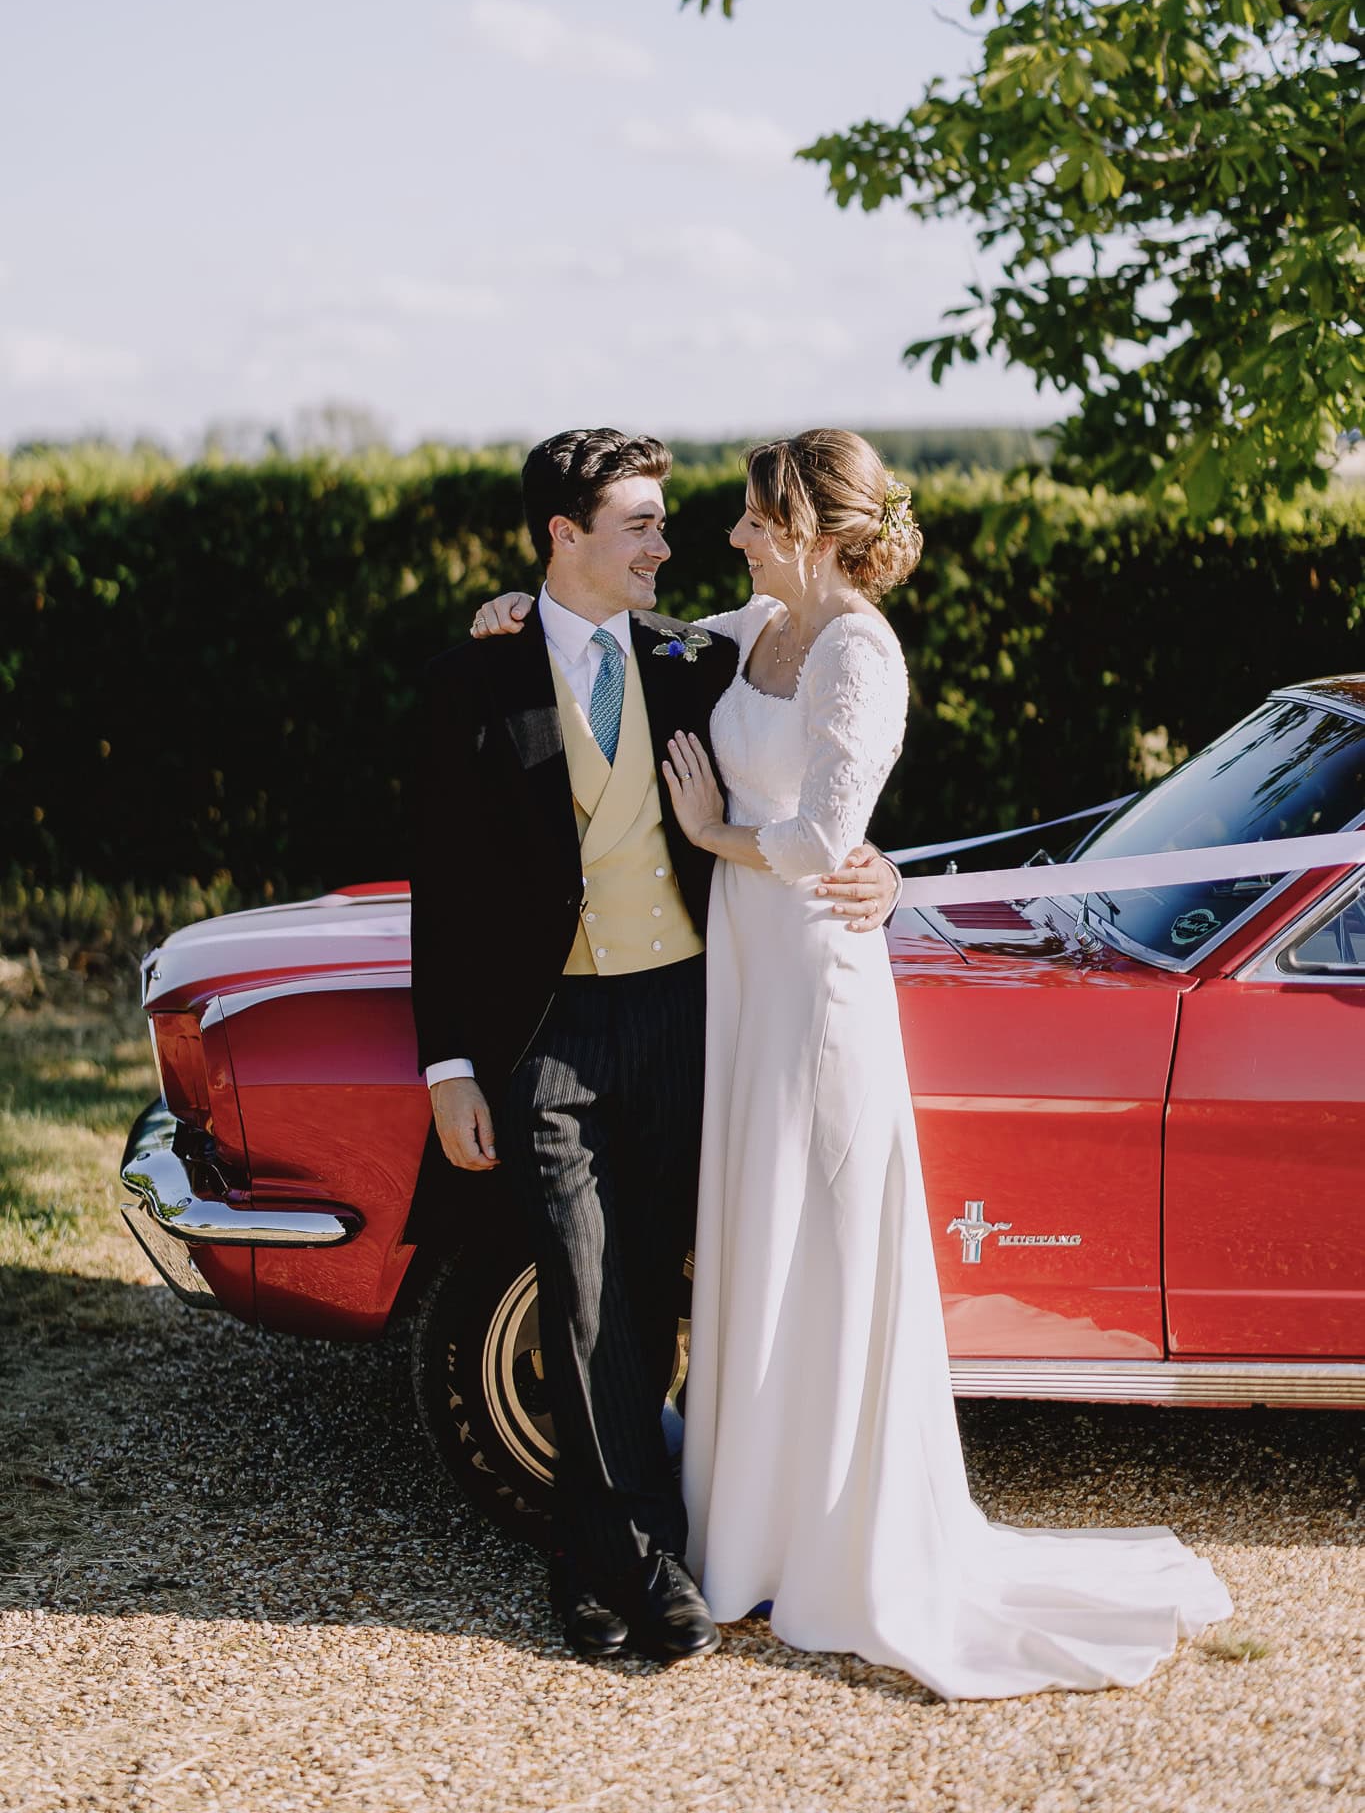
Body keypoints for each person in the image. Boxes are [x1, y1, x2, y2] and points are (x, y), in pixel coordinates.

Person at [471, 427, 1232, 1700]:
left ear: (813, 530)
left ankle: (826, 1536)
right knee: (752, 1227)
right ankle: (746, 1524)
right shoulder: (760, 625)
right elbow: (624, 628)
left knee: (813, 1229)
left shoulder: (859, 649)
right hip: (742, 969)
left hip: (814, 971)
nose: (729, 533)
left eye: (753, 516)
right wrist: (515, 605)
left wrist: (715, 827)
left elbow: (829, 835)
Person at [409, 427, 900, 1667]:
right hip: (548, 1032)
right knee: (579, 1291)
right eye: (639, 525)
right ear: (563, 534)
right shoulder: (475, 675)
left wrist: (881, 869)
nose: (666, 547)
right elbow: (444, 888)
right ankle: (639, 1560)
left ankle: (599, 1558)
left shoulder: (698, 656)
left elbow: (823, 770)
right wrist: (448, 1065)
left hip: (689, 1012)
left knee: (657, 1289)